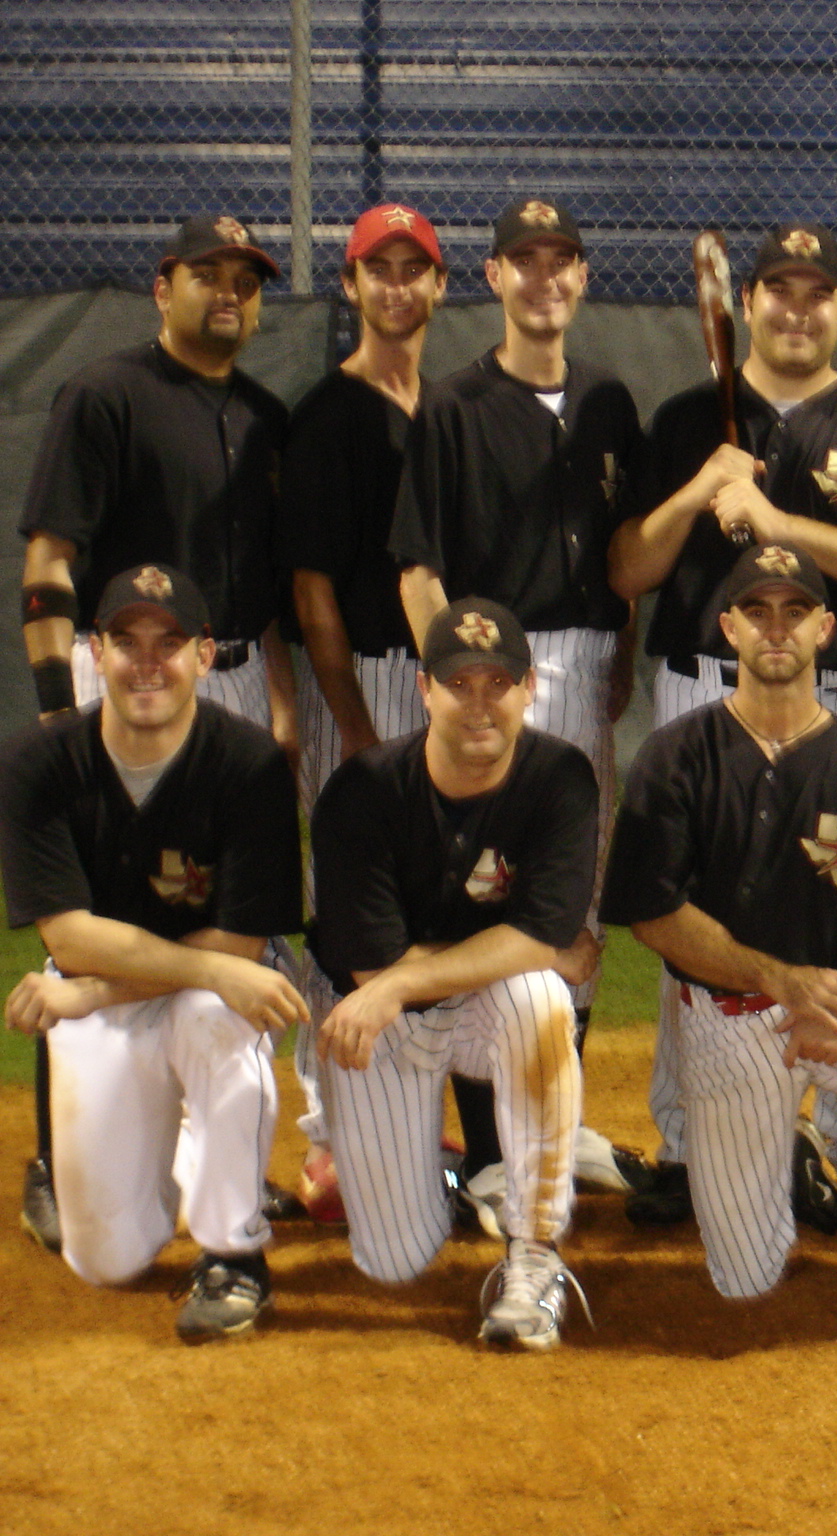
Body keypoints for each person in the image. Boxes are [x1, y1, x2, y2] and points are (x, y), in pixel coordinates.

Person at [609, 223, 837, 1227]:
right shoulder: (681, 422)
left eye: (817, 293)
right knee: (695, 911)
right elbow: (629, 570)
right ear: (744, 304)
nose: (797, 310)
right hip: (703, 693)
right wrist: (699, 492)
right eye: (778, 292)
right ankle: (687, 1137)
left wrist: (777, 518)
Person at [15, 214, 297, 1251]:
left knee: (224, 918)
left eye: (246, 279)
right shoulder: (106, 395)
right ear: (161, 284)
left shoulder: (266, 416)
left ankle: (216, 1151)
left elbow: (258, 593)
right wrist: (59, 710)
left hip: (222, 685)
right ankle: (56, 1157)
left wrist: (273, 698)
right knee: (99, 905)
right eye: (207, 275)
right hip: (117, 683)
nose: (229, 292)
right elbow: (50, 559)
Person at [601, 544, 837, 1334]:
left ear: (825, 629)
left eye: (795, 612)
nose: (776, 629)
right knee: (745, 1279)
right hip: (726, 1022)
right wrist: (781, 979)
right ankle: (787, 1149)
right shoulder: (675, 757)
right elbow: (651, 912)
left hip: (836, 1010)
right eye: (757, 612)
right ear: (726, 627)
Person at [387, 196, 644, 1211]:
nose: (544, 278)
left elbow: (623, 561)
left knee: (572, 901)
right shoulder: (451, 406)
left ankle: (555, 1118)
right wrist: (461, 693)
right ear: (491, 278)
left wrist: (618, 658)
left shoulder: (610, 401)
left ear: (582, 277)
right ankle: (494, 1151)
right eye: (522, 261)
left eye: (562, 260)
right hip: (492, 669)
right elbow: (417, 570)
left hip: (582, 670)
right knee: (481, 895)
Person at [0, 565, 304, 1339]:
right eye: (125, 641)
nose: (147, 662)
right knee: (108, 1258)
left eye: (168, 643)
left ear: (205, 656)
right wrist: (200, 968)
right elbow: (69, 939)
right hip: (128, 994)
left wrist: (94, 992)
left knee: (216, 1015)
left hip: (146, 996)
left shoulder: (251, 764)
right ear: (92, 653)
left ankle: (235, 1255)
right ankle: (176, 1158)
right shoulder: (39, 764)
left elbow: (241, 945)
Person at [310, 598, 599, 1350]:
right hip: (384, 1032)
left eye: (496, 684)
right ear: (423, 688)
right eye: (458, 684)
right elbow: (372, 963)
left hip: (436, 1009)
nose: (478, 704)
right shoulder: (363, 791)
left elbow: (538, 949)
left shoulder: (562, 777)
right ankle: (432, 1173)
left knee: (539, 1000)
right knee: (395, 1258)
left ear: (529, 688)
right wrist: (527, 946)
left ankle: (534, 1255)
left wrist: (419, 975)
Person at [277, 202, 449, 1222]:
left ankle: (410, 1110)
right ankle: (329, 1136)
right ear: (349, 288)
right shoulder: (327, 416)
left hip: (441, 684)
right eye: (374, 270)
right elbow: (312, 591)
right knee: (344, 915)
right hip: (369, 682)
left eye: (411, 268)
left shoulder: (448, 405)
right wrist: (349, 722)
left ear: (437, 286)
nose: (394, 286)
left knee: (432, 910)